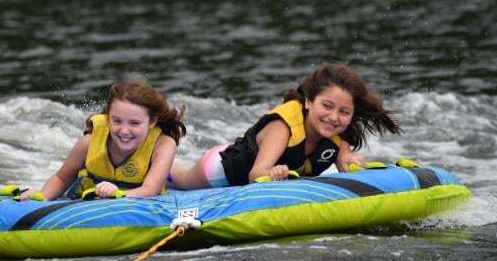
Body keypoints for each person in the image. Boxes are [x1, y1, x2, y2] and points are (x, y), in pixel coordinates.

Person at [169, 61, 401, 189]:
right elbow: (256, 174)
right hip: (220, 170)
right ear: (309, 101)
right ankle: (158, 162)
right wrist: (273, 172)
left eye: (344, 112)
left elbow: (348, 170)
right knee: (179, 179)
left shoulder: (338, 137)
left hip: (248, 160)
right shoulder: (284, 127)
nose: (333, 117)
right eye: (327, 106)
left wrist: (354, 163)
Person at [20, 79, 186, 200]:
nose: (124, 130)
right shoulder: (88, 143)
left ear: (151, 122)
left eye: (134, 123)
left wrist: (117, 194)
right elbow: (62, 178)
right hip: (88, 198)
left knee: (184, 178)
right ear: (107, 118)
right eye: (117, 121)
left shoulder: (163, 145)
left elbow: (151, 189)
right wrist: (42, 197)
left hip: (136, 200)